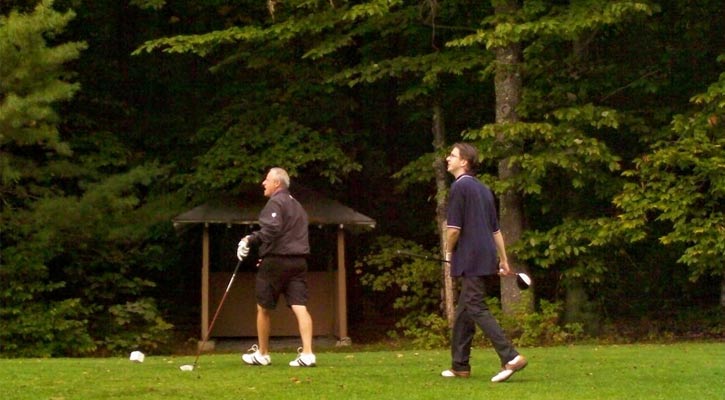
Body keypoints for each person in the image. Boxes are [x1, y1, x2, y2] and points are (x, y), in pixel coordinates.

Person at [440, 142, 527, 382]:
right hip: (484, 255)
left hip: (470, 257)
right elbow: (495, 230)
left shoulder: (459, 188)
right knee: (464, 311)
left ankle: (510, 357)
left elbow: (454, 230)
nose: (448, 158)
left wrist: (448, 253)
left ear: (464, 162)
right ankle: (460, 365)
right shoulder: (484, 189)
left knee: (475, 305)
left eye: (452, 155)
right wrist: (503, 259)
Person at [237, 167, 316, 367]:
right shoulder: (298, 205)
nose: (263, 183)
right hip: (298, 262)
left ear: (277, 183)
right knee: (300, 306)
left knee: (262, 307)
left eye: (267, 180)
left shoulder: (276, 201)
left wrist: (249, 239)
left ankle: (263, 354)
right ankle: (308, 354)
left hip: (276, 262)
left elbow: (271, 229)